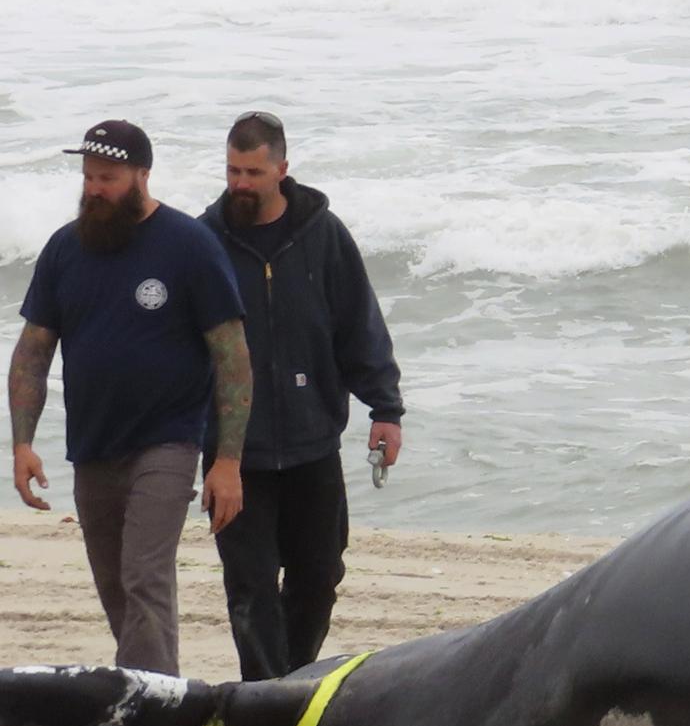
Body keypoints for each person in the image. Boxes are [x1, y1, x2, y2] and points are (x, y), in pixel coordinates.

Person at [10, 121, 251, 675]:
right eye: (90, 177)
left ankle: (147, 707)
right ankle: (151, 685)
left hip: (166, 441)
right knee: (115, 583)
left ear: (142, 175)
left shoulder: (189, 244)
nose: (95, 189)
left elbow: (232, 356)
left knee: (145, 573)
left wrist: (228, 461)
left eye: (109, 178)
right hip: (93, 445)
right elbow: (32, 351)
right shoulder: (66, 248)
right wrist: (22, 442)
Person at [200, 110, 406, 681]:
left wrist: (385, 408)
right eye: (232, 170)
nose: (240, 183)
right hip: (235, 455)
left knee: (319, 576)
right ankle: (266, 695)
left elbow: (358, 325)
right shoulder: (204, 241)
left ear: (282, 169)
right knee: (250, 587)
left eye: (252, 172)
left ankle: (288, 682)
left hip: (315, 445)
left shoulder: (323, 234)